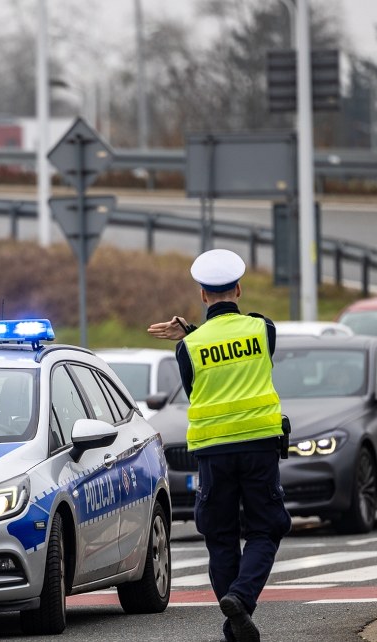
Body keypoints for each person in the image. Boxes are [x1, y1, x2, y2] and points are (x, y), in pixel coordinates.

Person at [146, 248, 291, 642]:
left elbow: (199, 384)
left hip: (213, 453)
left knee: (220, 535)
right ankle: (241, 599)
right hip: (260, 447)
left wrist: (191, 332)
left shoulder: (188, 348)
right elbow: (240, 349)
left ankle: (235, 624)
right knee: (266, 528)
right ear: (239, 289)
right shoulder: (264, 329)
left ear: (201, 294)